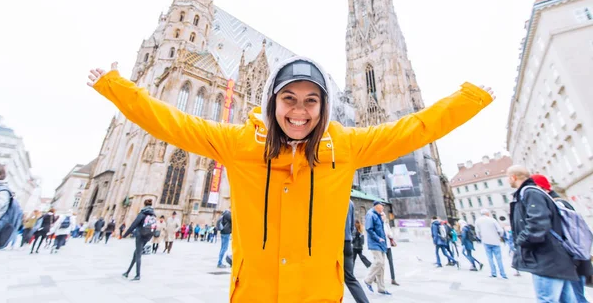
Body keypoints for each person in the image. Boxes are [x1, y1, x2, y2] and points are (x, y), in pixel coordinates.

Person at [88, 58, 494, 302]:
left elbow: (414, 129)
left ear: (323, 106)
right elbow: (172, 124)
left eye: (311, 101)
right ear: (273, 103)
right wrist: (116, 87)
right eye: (289, 99)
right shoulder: (239, 143)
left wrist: (469, 99)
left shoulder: (345, 147)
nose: (299, 112)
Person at [508, 165, 578, 302]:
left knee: (546, 299)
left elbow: (538, 224)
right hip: (553, 258)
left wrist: (521, 241)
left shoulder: (530, 193)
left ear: (513, 177)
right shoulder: (531, 193)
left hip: (546, 259)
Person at [531, 174, 593, 303]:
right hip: (574, 260)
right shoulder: (557, 203)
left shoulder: (557, 205)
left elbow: (570, 234)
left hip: (572, 260)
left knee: (577, 297)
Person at [122, 199, 155, 281]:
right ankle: (127, 272)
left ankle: (138, 275)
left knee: (138, 254)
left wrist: (125, 235)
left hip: (140, 235)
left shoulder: (142, 213)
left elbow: (133, 225)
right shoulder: (153, 214)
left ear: (144, 204)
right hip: (148, 236)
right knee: (136, 253)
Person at [343, 200, 369, 303]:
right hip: (347, 242)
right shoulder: (350, 202)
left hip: (334, 244)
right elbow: (352, 227)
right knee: (350, 278)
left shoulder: (331, 195)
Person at [364, 201, 391, 295]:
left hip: (381, 243)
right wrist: (377, 238)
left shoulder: (379, 215)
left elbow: (383, 229)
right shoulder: (370, 215)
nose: (383, 208)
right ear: (377, 206)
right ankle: (368, 280)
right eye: (381, 206)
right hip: (375, 243)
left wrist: (384, 220)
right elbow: (368, 228)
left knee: (382, 266)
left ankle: (381, 288)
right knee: (379, 261)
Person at [475, 209, 507, 279]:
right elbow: (500, 230)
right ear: (487, 213)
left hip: (485, 241)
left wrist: (481, 238)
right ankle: (503, 274)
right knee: (499, 258)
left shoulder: (478, 221)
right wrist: (499, 236)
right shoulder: (492, 220)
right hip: (495, 241)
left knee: (490, 258)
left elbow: (477, 232)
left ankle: (493, 273)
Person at [379, 211, 399, 286]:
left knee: (390, 262)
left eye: (383, 215)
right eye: (381, 215)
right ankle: (378, 279)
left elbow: (390, 234)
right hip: (382, 245)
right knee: (380, 263)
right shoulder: (381, 224)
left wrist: (390, 235)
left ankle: (393, 279)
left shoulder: (386, 224)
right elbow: (387, 234)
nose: (383, 216)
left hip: (388, 246)